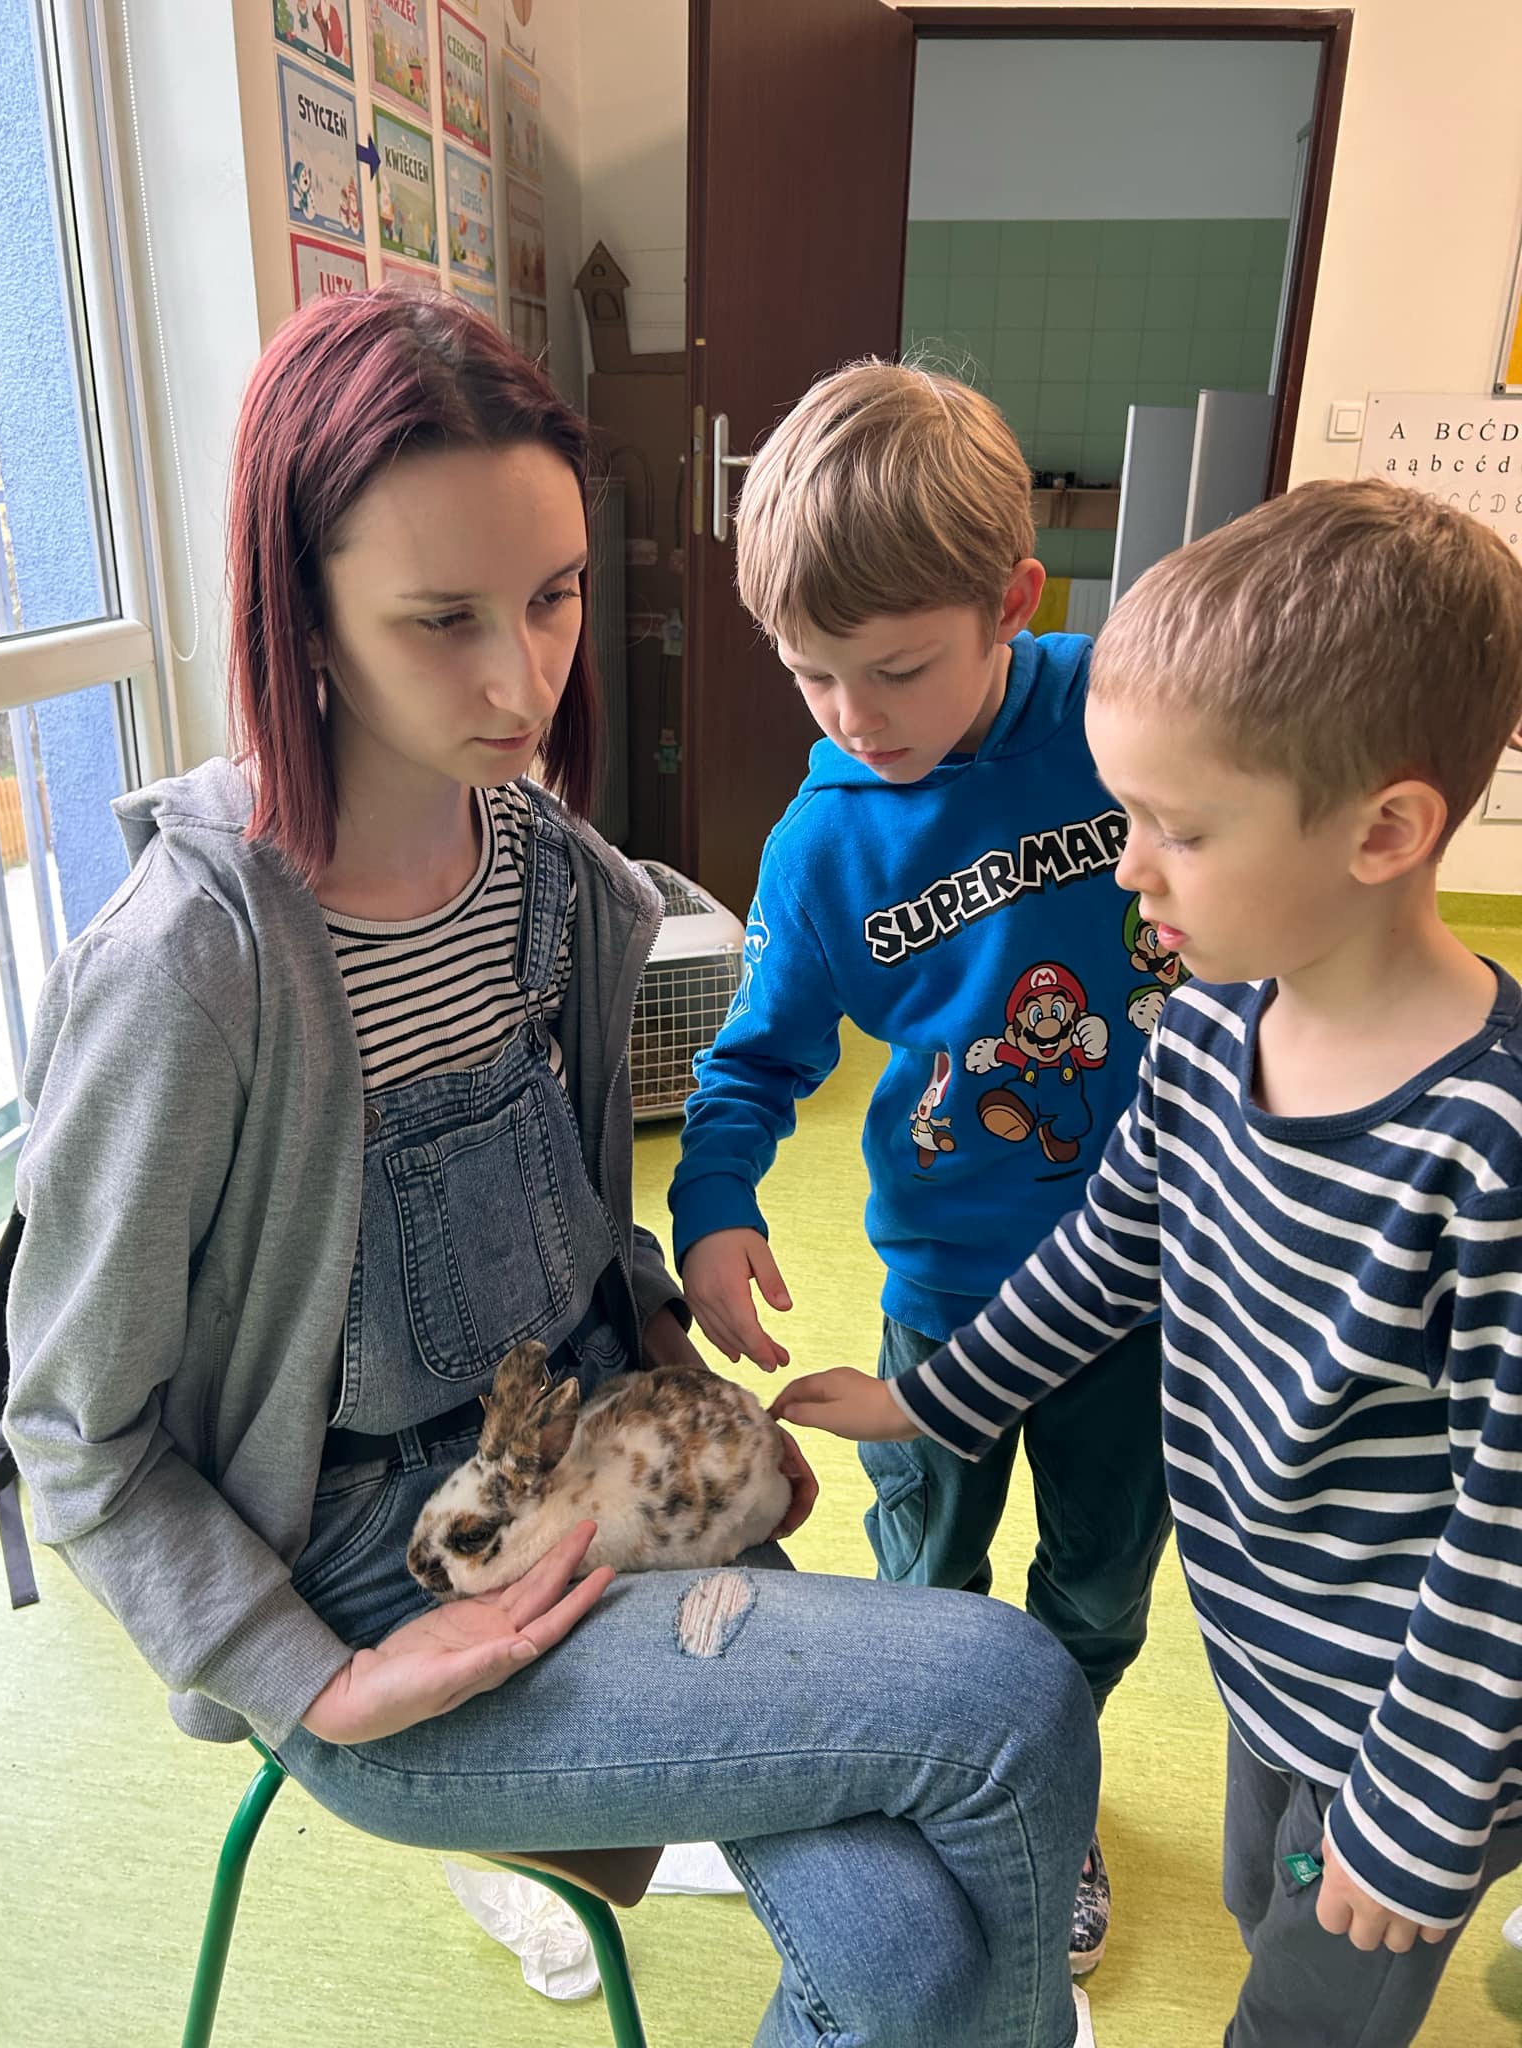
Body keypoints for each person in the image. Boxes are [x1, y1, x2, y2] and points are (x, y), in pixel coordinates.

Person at [0, 289, 1101, 2048]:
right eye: (441, 619)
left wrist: (677, 1373)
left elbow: (575, 1232)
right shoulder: (191, 970)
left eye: (556, 595)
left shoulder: (555, 879)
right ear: (302, 609)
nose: (524, 681)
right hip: (377, 1589)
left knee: (911, 1956)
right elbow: (74, 1434)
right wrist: (317, 1683)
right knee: (1013, 1695)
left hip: (604, 1473)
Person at [770, 477, 1522, 2048]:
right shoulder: (1206, 1031)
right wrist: (934, 1403)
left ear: (1386, 832)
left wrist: (1420, 1801)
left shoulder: (1485, 1151)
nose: (1129, 870)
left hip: (1417, 1726)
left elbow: (1507, 1529)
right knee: (1262, 1907)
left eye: (1180, 830)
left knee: (1308, 2014)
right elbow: (1106, 1258)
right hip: (1272, 1661)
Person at [669, 359, 1173, 1969]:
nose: (853, 718)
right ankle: (933, 1785)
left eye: (894, 671)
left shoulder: (1134, 716)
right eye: (809, 674)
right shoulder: (822, 843)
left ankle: (1056, 1790)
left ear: (1014, 601)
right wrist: (715, 1204)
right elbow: (751, 1062)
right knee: (926, 1579)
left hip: (1149, 1288)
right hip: (949, 1288)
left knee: (1097, 1585)